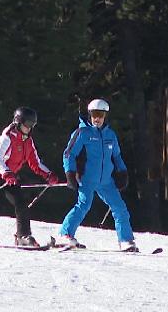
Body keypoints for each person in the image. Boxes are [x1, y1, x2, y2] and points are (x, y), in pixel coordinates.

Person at [0, 106, 60, 247]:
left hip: (10, 176)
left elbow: (35, 162)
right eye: (27, 124)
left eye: (32, 125)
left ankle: (23, 236)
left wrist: (48, 174)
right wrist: (6, 173)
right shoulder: (6, 138)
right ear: (18, 122)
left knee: (21, 203)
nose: (29, 128)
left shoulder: (28, 141)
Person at [57, 98, 136, 251]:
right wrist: (70, 173)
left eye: (100, 114)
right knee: (83, 205)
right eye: (94, 114)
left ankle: (126, 240)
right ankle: (65, 234)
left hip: (106, 180)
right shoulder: (82, 132)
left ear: (105, 115)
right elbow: (69, 154)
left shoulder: (110, 134)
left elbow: (117, 156)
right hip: (87, 178)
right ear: (89, 114)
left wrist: (122, 172)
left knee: (120, 208)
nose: (97, 118)